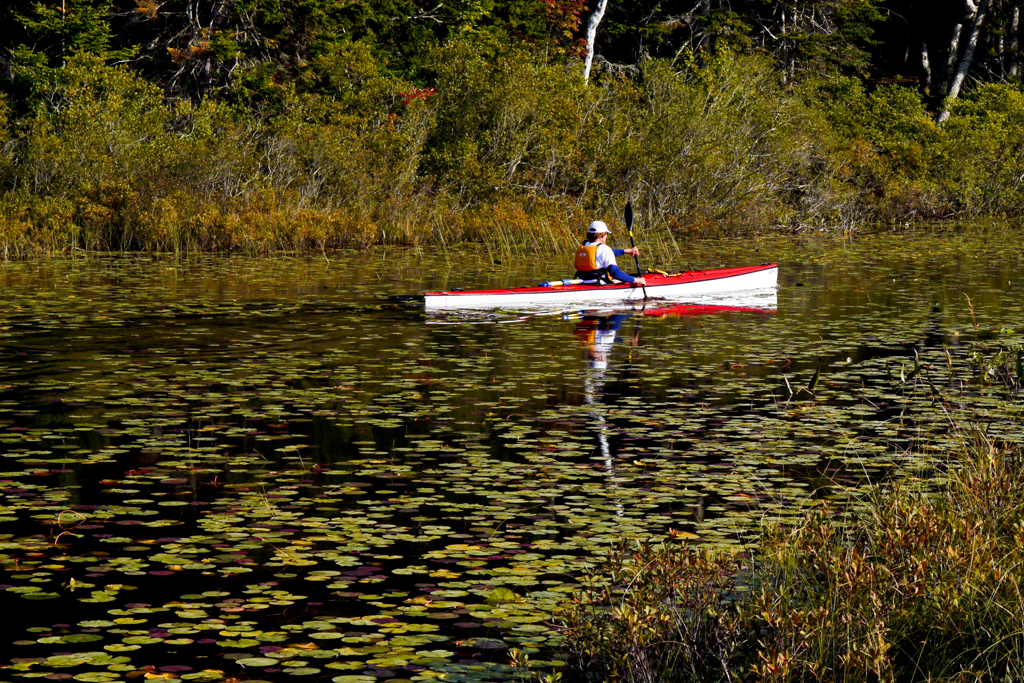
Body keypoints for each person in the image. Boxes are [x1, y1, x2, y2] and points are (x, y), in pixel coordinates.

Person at [572, 221, 647, 286]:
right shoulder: (604, 249)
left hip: (582, 282)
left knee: (616, 279)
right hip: (599, 284)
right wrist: (637, 280)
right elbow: (615, 273)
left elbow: (607, 253)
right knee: (620, 278)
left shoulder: (585, 246)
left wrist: (628, 251)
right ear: (603, 235)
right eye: (606, 234)